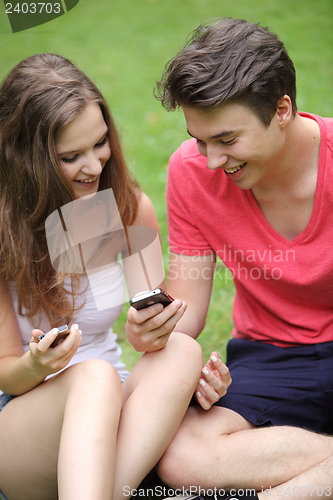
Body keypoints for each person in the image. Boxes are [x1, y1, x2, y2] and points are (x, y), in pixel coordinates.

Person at [126, 18, 333, 500]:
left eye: (227, 139)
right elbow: (189, 301)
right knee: (179, 458)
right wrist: (155, 330)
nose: (211, 160)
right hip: (272, 355)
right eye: (199, 140)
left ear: (282, 109)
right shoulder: (192, 172)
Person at [0, 53, 208, 500]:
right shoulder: (5, 234)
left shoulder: (128, 210)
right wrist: (36, 365)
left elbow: (153, 335)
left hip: (113, 415)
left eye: (100, 144)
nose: (94, 166)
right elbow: (6, 375)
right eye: (70, 156)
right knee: (92, 377)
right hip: (20, 423)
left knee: (181, 351)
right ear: (23, 159)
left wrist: (149, 331)